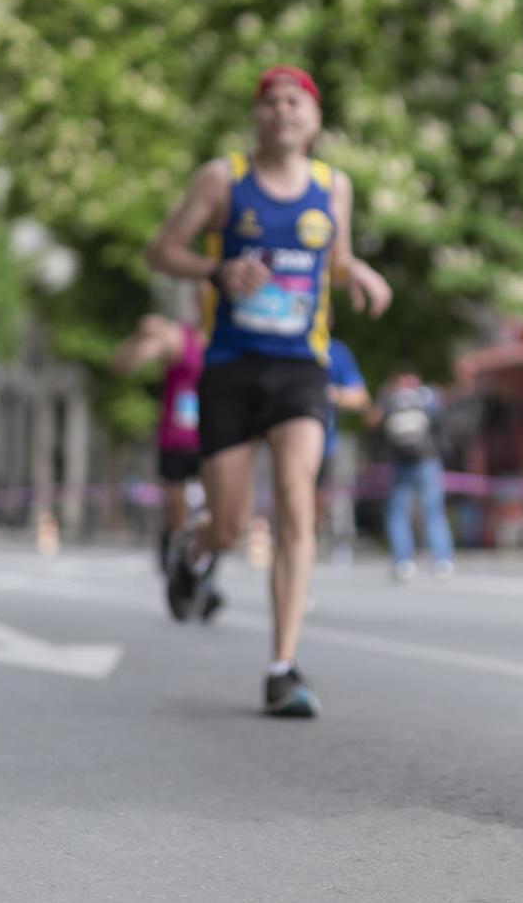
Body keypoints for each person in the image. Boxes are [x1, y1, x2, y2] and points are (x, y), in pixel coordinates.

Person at [146, 65, 391, 717]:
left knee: (294, 504)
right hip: (230, 365)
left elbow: (332, 259)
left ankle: (282, 668)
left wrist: (358, 270)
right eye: (271, 102)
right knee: (229, 524)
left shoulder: (333, 186)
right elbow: (160, 250)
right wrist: (217, 268)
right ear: (257, 118)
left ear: (314, 120)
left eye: (296, 101)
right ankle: (193, 549)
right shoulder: (222, 180)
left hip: (300, 368)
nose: (283, 111)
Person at [111, 313, 205, 579]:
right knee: (176, 507)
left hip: (218, 436)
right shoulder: (176, 337)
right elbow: (124, 363)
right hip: (179, 438)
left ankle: (202, 566)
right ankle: (175, 554)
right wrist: (139, 338)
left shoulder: (238, 336)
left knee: (219, 513)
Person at [370, 368, 454, 583]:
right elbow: (442, 423)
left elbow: (374, 425)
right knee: (433, 510)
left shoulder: (389, 398)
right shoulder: (427, 396)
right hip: (428, 458)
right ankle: (442, 559)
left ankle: (403, 561)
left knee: (398, 511)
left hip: (401, 461)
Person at [318, 337, 369, 563]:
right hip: (285, 444)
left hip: (328, 444)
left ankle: (339, 540)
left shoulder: (336, 352)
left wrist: (332, 394)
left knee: (337, 497)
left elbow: (360, 397)